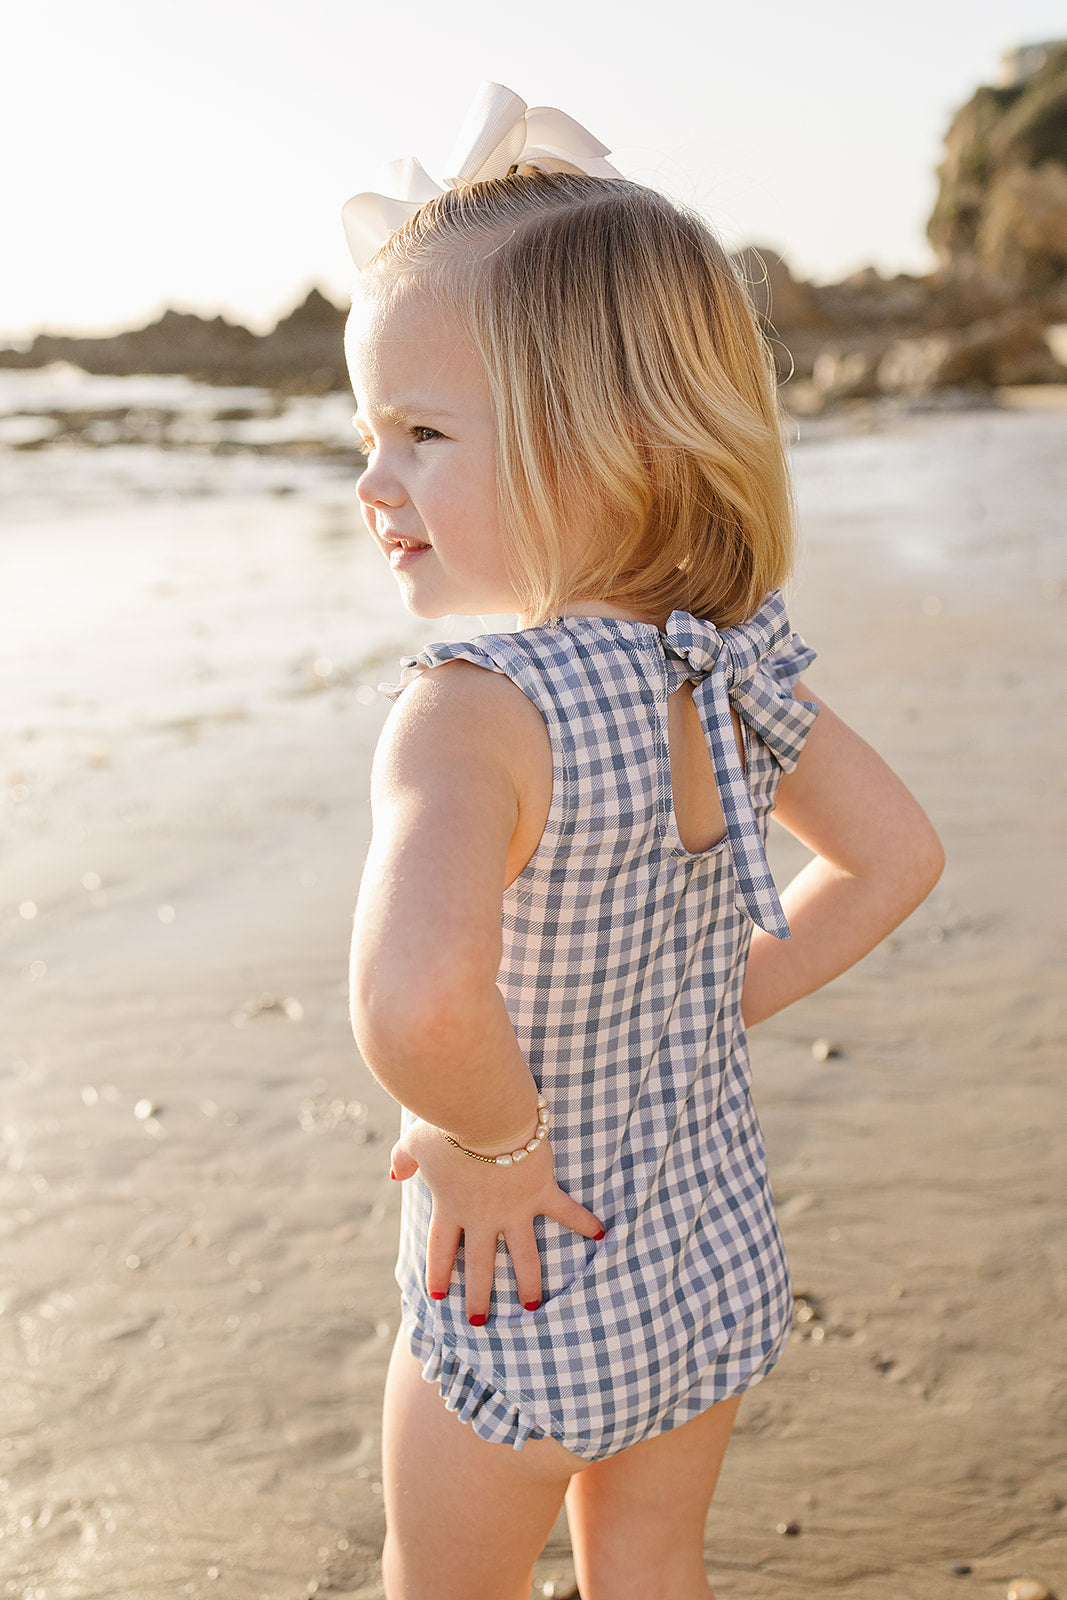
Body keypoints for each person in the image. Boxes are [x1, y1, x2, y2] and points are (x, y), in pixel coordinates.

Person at [344, 85, 944, 1600]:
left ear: (604, 440)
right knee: (654, 1565)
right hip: (706, 1256)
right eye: (368, 435)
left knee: (443, 1580)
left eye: (420, 433)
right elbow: (895, 857)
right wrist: (706, 995)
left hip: (526, 1278)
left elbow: (416, 1004)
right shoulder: (725, 663)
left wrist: (496, 1147)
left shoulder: (474, 712)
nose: (372, 483)